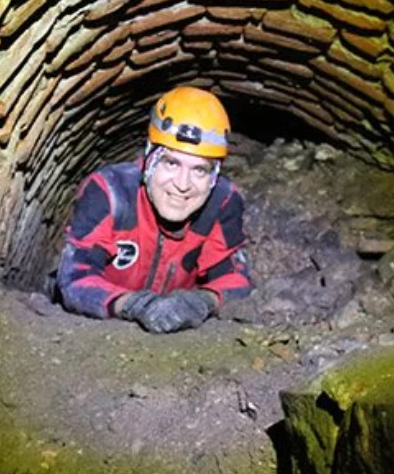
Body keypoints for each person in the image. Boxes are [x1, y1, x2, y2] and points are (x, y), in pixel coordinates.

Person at [56, 86, 254, 333]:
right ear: (150, 159)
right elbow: (74, 280)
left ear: (214, 177)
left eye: (200, 170)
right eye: (171, 163)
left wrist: (202, 301)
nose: (183, 185)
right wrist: (135, 305)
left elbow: (237, 280)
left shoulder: (222, 203)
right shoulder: (111, 193)